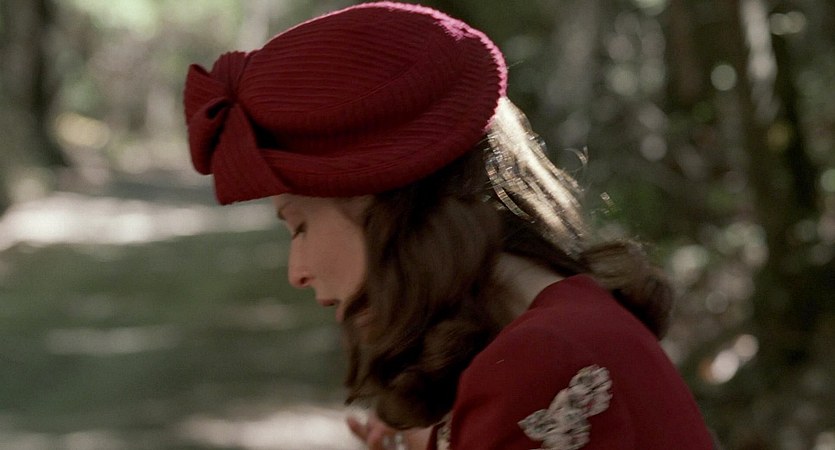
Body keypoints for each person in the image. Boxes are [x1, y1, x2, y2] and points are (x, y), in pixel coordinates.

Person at [183, 2, 716, 449]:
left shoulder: (542, 362)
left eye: (299, 227)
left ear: (381, 203)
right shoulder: (568, 324)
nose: (296, 272)